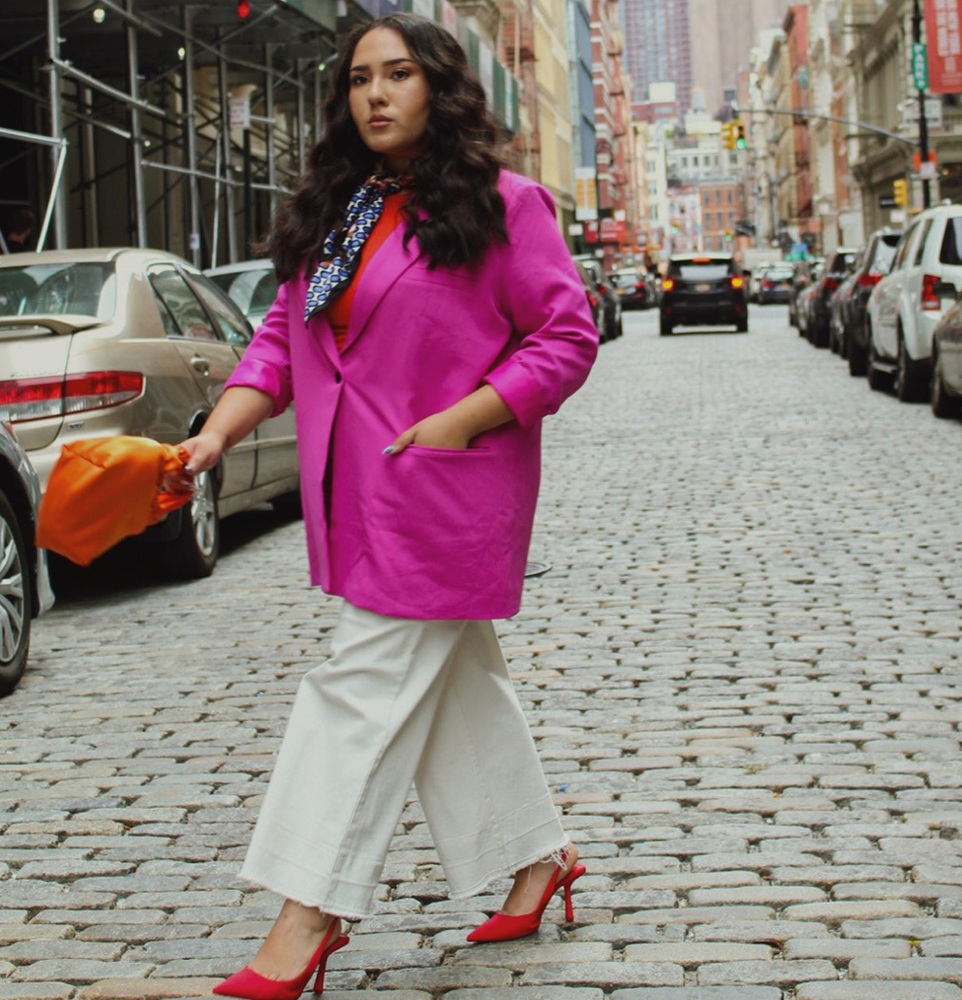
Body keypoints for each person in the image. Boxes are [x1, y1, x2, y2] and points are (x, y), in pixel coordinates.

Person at [178, 13, 599, 1000]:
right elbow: (278, 348)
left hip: (448, 498)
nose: (373, 94)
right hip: (353, 498)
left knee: (356, 689)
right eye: (358, 78)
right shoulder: (339, 213)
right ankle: (537, 855)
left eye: (398, 74)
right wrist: (213, 438)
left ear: (438, 88)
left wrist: (468, 416)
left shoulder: (507, 206)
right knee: (455, 690)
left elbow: (564, 337)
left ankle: (305, 910)